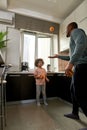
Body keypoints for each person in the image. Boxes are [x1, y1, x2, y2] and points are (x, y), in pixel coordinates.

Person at [48, 22, 87, 130]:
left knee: (80, 94)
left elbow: (81, 44)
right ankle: (75, 113)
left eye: (66, 28)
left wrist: (70, 64)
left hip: (82, 66)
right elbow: (71, 56)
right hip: (80, 66)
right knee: (73, 90)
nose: (66, 30)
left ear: (71, 27)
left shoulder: (76, 31)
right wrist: (58, 57)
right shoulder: (74, 37)